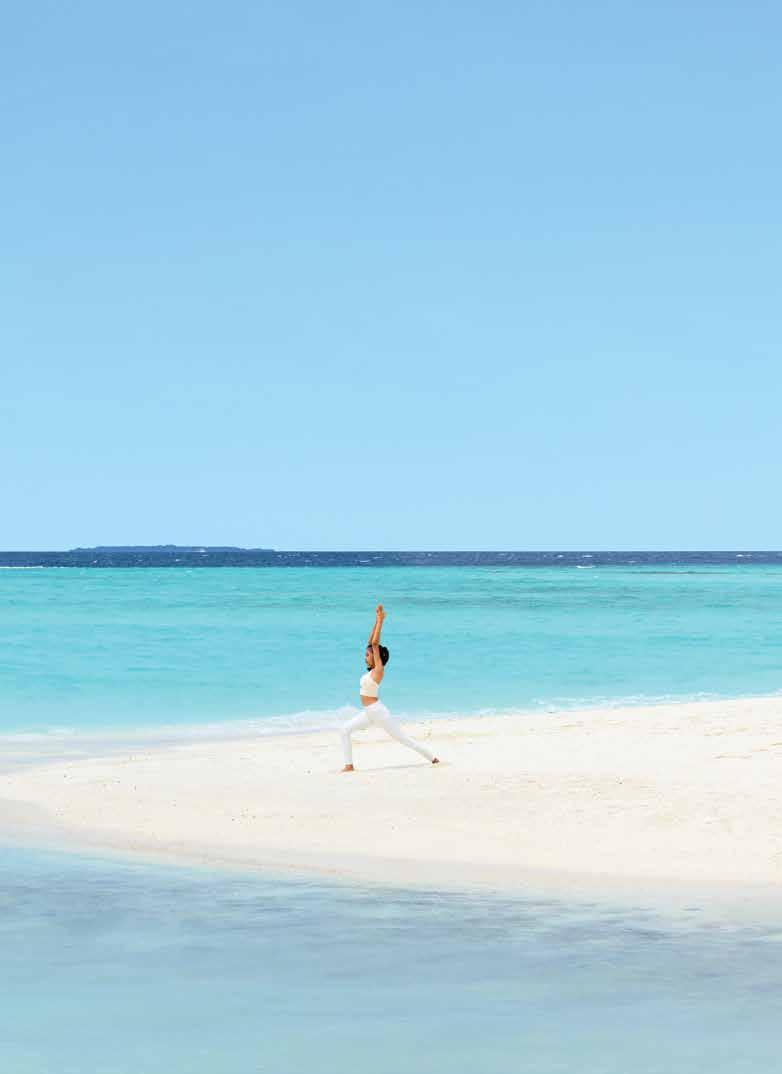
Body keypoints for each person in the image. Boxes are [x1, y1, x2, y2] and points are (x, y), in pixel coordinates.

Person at [341, 604, 440, 772]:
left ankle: (433, 758)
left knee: (404, 739)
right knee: (344, 730)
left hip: (378, 712)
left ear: (376, 657)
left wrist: (381, 621)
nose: (365, 657)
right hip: (368, 713)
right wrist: (376, 620)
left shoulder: (378, 671)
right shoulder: (371, 671)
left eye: (368, 655)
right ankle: (349, 766)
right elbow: (370, 643)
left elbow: (374, 643)